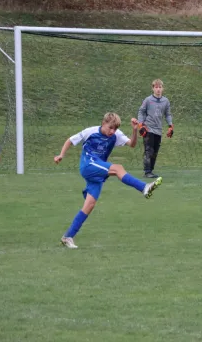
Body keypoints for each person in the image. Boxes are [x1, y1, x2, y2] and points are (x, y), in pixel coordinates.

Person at [54, 112, 162, 249]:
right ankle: (144, 188)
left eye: (115, 129)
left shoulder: (115, 135)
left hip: (97, 171)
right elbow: (70, 140)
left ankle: (67, 237)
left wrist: (134, 131)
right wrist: (61, 155)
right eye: (110, 128)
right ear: (103, 123)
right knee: (118, 168)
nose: (112, 131)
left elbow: (132, 144)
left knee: (90, 204)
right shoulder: (90, 132)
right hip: (88, 165)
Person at [137, 79, 173, 178]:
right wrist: (141, 125)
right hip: (148, 129)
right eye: (156, 87)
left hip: (158, 130)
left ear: (163, 88)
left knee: (155, 151)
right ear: (153, 88)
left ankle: (151, 170)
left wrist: (170, 126)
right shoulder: (148, 100)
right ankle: (147, 171)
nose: (158, 89)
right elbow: (141, 111)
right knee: (149, 150)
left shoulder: (165, 101)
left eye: (160, 87)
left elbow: (168, 114)